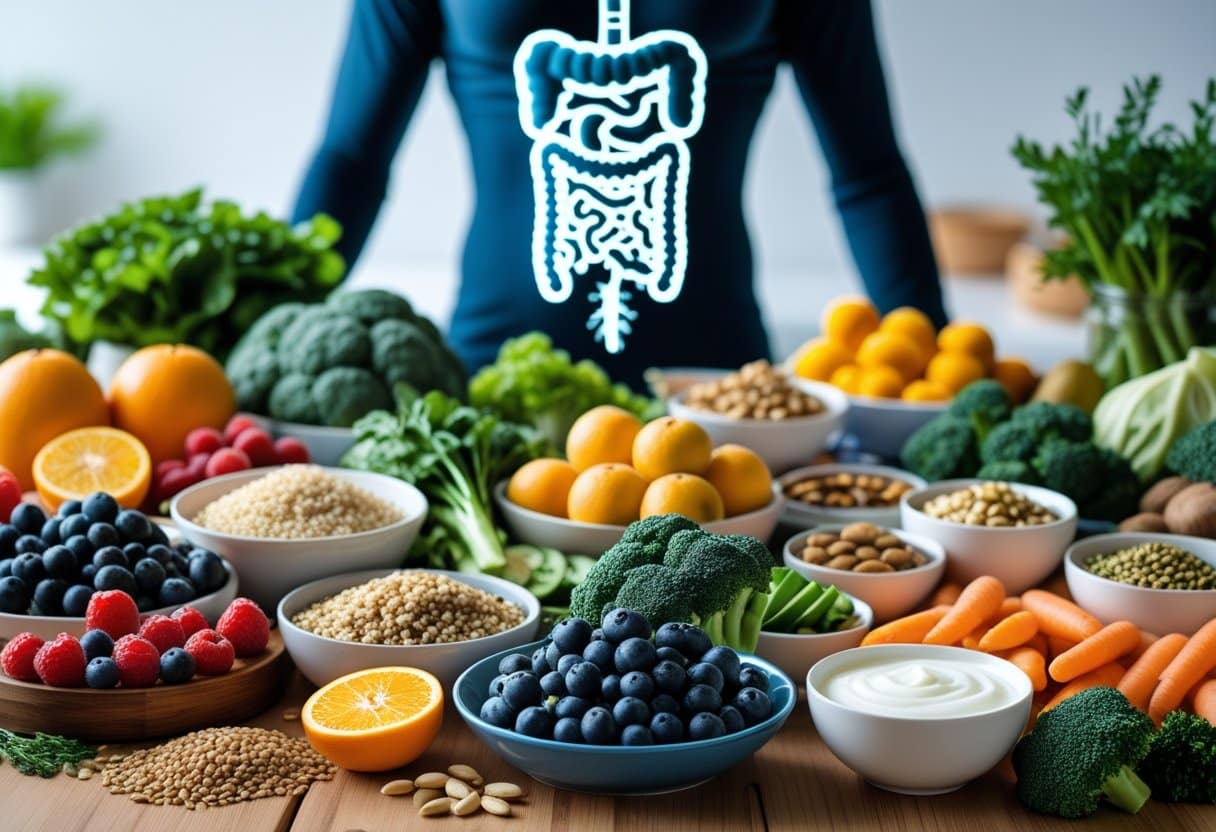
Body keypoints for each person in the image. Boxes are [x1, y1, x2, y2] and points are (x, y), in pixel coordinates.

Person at [293, 0, 946, 388]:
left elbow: (869, 174)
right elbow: (351, 163)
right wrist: (262, 333)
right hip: (493, 392)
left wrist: (945, 369)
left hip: (722, 402)